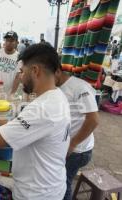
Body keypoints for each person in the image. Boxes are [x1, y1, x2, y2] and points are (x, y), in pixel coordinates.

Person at [0, 43, 71, 200]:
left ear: (35, 71)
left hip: (36, 193)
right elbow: (34, 130)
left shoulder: (42, 108)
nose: (20, 77)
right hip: (50, 184)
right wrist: (0, 122)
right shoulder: (57, 96)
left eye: (22, 71)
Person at [55, 67, 99, 200]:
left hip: (78, 151)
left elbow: (93, 120)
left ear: (57, 71)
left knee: (63, 184)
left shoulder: (79, 87)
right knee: (59, 181)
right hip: (66, 146)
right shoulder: (57, 88)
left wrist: (73, 143)